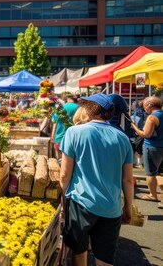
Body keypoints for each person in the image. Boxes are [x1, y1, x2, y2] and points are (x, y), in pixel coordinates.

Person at [59, 93, 133, 266]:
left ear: (89, 108)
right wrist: (128, 207)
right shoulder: (122, 137)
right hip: (112, 208)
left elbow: (64, 174)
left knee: (79, 251)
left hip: (81, 203)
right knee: (105, 258)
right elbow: (128, 179)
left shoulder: (74, 132)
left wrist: (62, 201)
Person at [131, 96, 163, 202]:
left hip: (152, 147)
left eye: (145, 105)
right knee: (158, 172)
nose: (144, 108)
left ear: (150, 105)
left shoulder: (152, 117)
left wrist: (134, 127)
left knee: (151, 173)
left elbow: (146, 134)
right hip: (161, 146)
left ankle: (152, 195)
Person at [51, 95, 79, 160]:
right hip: (74, 139)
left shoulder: (60, 108)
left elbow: (54, 123)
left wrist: (52, 137)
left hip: (59, 138)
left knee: (60, 161)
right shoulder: (79, 108)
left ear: (67, 100)